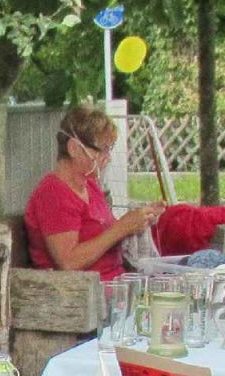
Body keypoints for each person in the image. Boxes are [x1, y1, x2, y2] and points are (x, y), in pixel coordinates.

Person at [24, 103, 159, 275]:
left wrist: (139, 221)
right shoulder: (53, 193)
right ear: (74, 148)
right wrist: (122, 227)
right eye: (102, 150)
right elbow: (68, 262)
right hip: (83, 289)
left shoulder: (90, 185)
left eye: (109, 149)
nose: (108, 158)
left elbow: (106, 235)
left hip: (112, 283)